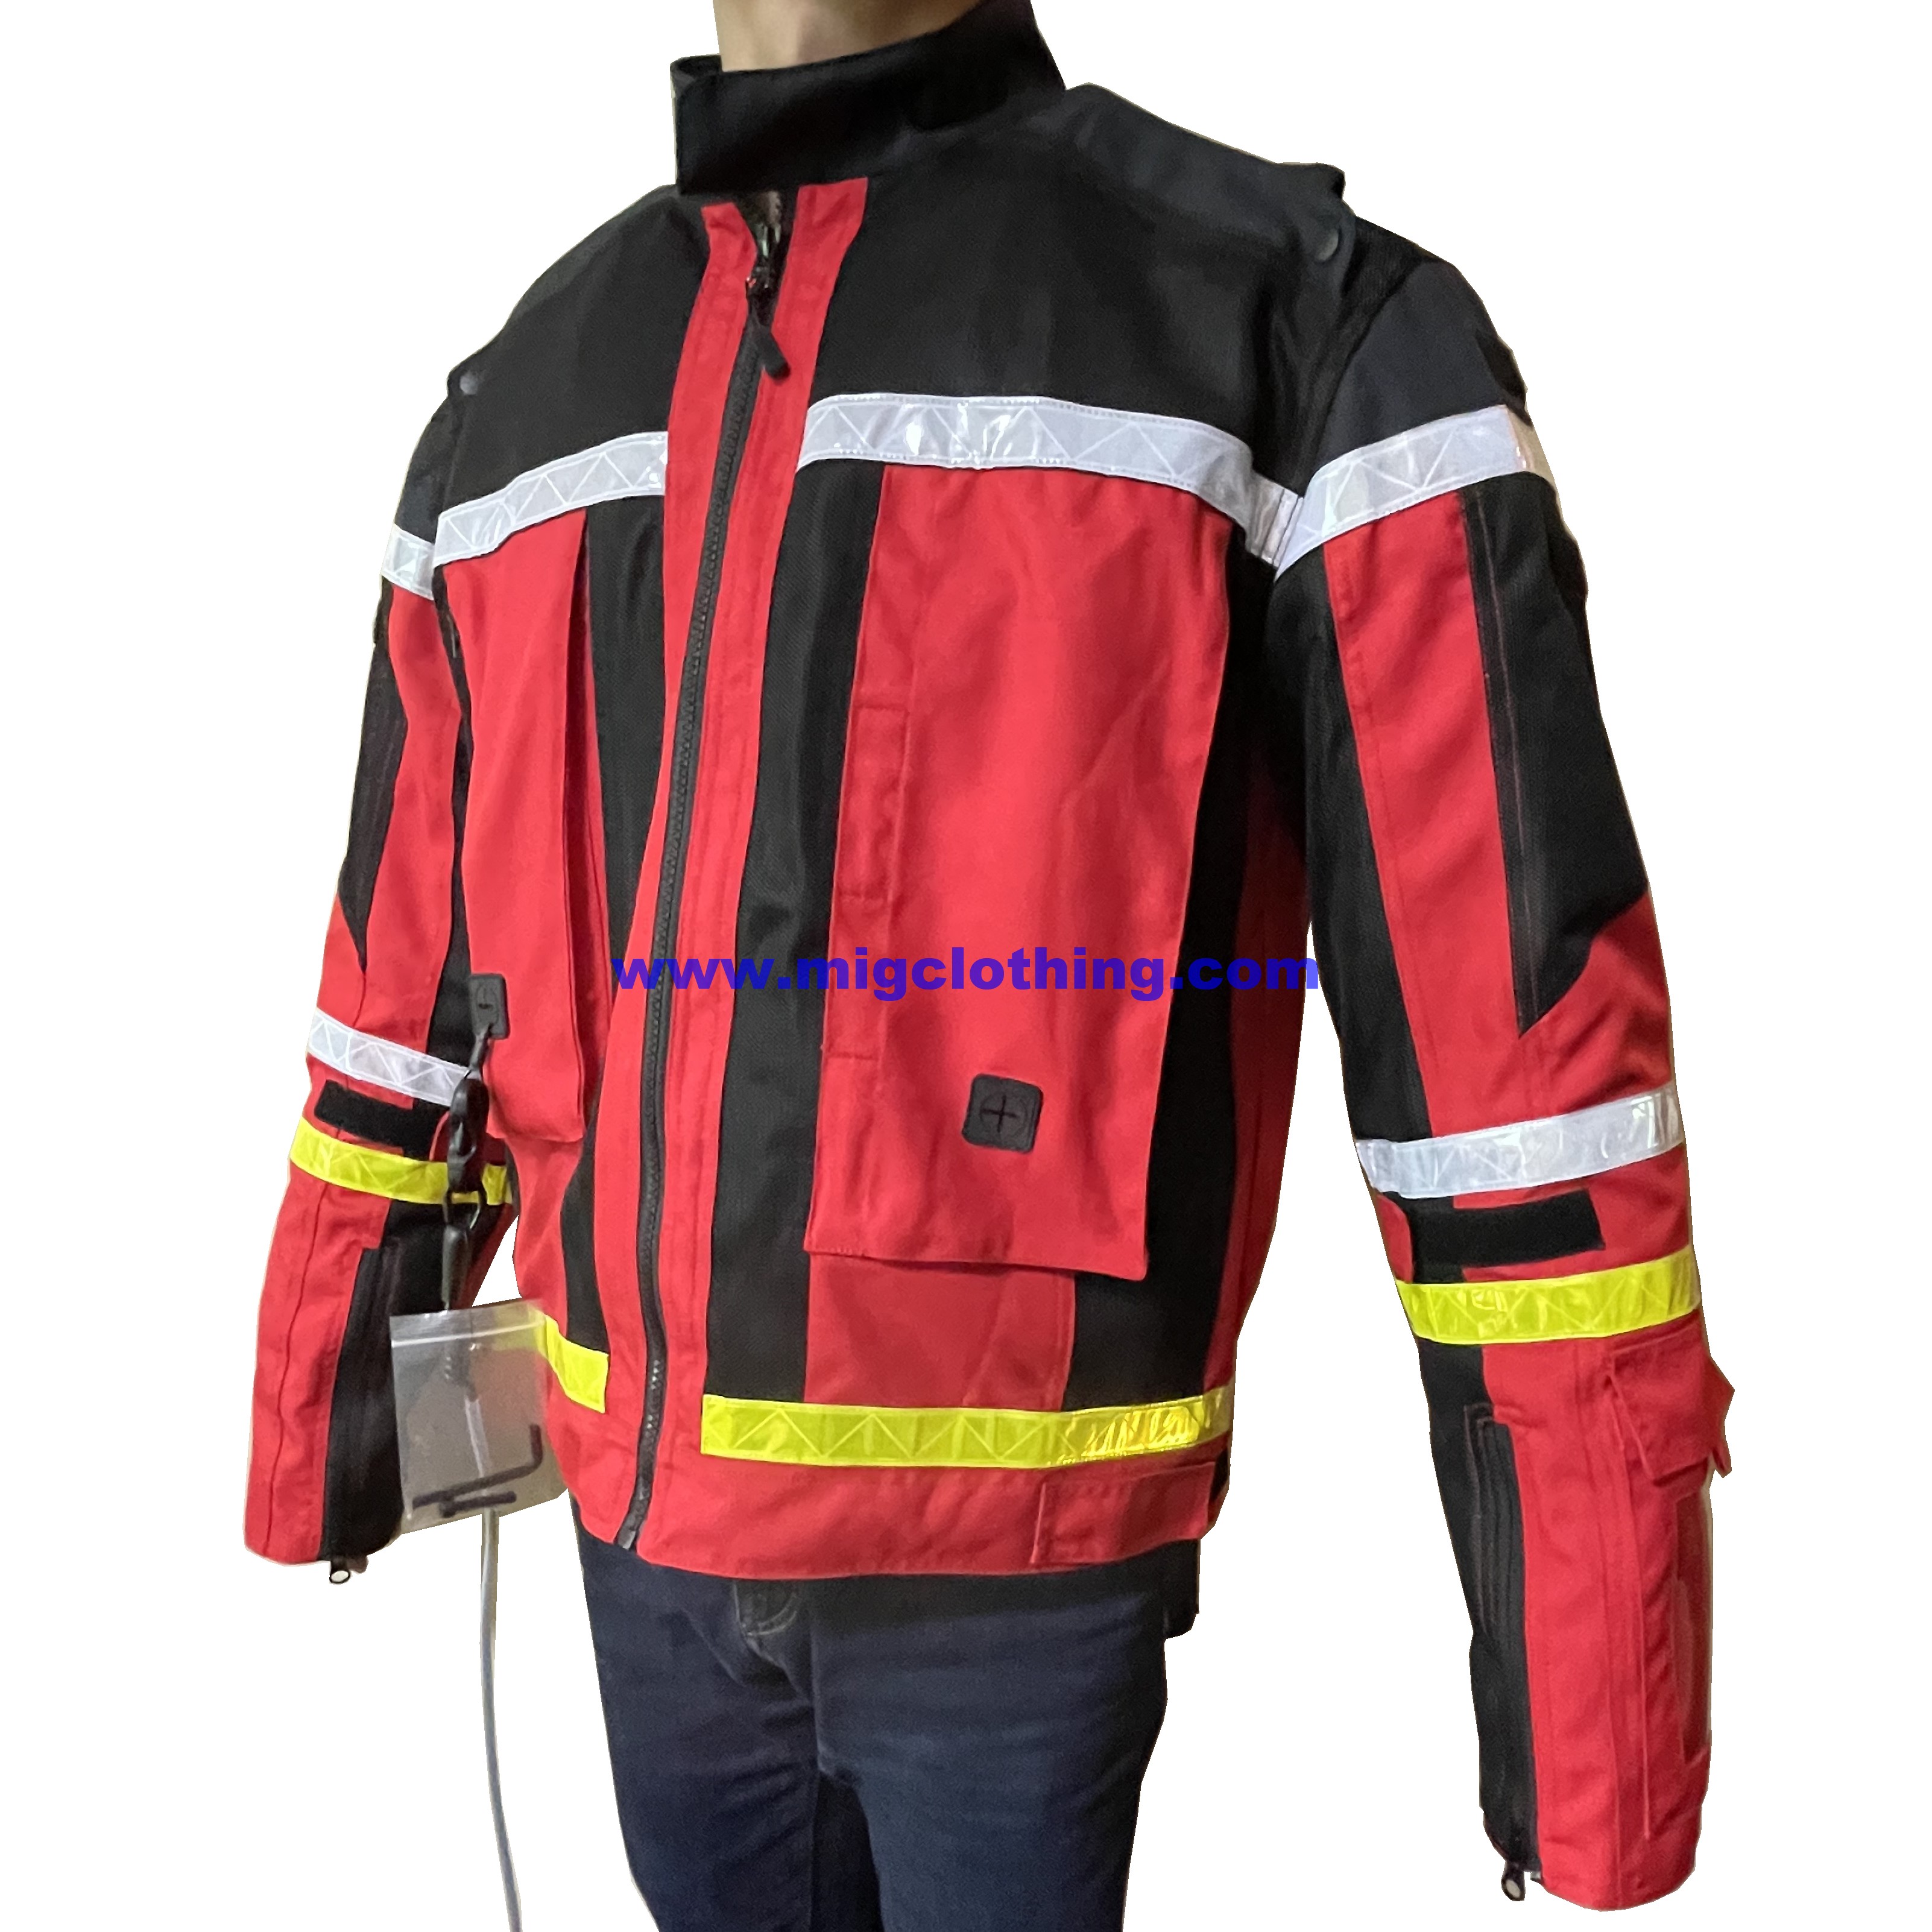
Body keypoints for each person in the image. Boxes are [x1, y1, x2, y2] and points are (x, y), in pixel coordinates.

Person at [244, 1, 1732, 1924]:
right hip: (639, 1550)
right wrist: (330, 1426)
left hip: (1010, 1580)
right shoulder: (519, 396)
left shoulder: (1283, 323)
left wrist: (1595, 1725)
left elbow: (1517, 1088)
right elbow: (400, 994)